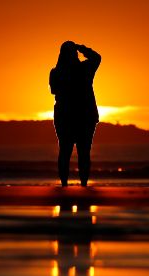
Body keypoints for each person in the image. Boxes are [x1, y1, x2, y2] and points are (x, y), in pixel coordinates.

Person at [49, 41, 101, 187]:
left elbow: (53, 91)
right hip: (84, 116)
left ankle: (64, 184)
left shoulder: (55, 72)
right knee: (84, 151)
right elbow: (97, 58)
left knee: (65, 150)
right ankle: (83, 183)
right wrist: (82, 48)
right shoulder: (85, 69)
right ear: (75, 54)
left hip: (65, 116)